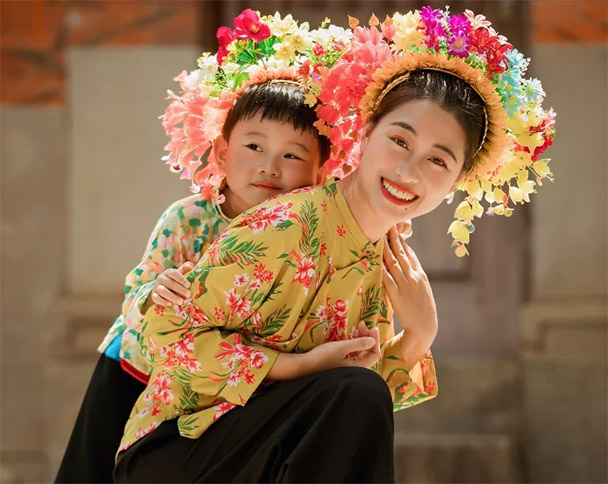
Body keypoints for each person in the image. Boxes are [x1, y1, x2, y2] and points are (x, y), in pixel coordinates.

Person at [114, 6, 556, 483]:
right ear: (366, 134)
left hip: (261, 452)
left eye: (437, 161)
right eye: (400, 141)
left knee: (357, 393)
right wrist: (293, 366)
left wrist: (419, 335)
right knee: (355, 392)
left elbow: (346, 424)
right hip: (176, 448)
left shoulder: (387, 260)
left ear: (454, 184)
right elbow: (168, 337)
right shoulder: (285, 225)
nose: (408, 172)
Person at [54, 9, 344, 483]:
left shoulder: (310, 238)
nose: (270, 166)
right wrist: (157, 294)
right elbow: (139, 294)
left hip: (225, 387)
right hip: (137, 370)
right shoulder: (187, 218)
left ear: (319, 174)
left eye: (292, 155)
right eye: (254, 147)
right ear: (222, 153)